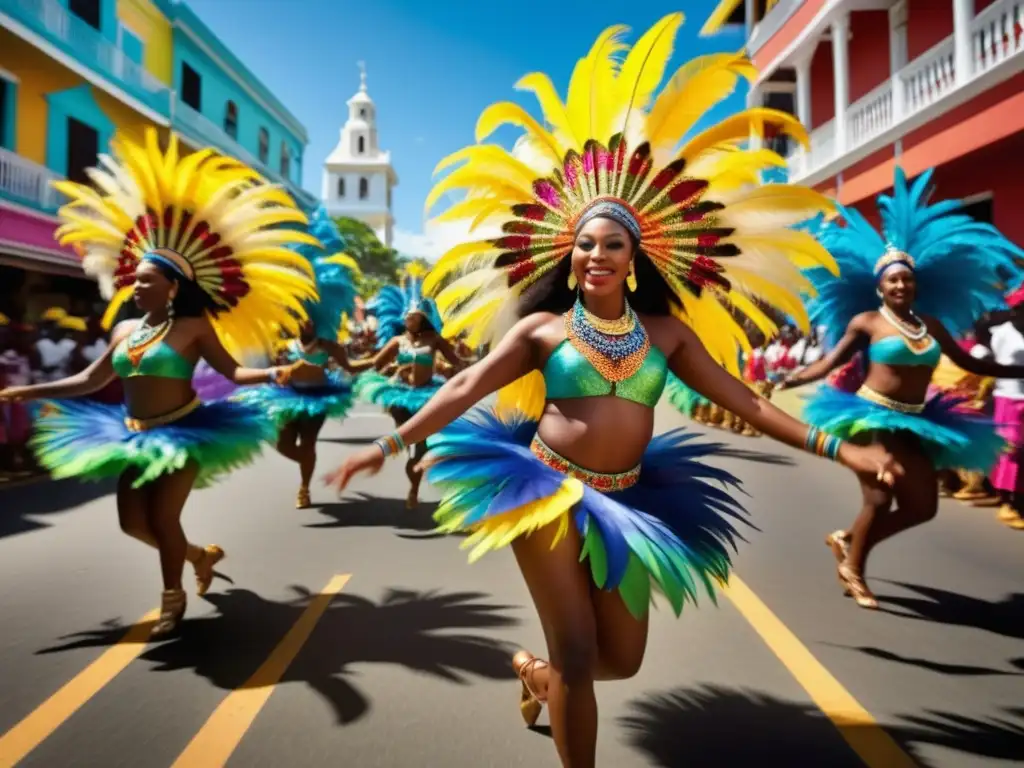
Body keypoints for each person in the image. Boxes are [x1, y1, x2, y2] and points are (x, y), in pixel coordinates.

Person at [325, 15, 900, 767]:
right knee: (576, 653)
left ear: (634, 259)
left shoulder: (666, 334)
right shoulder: (542, 333)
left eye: (612, 244)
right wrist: (385, 444)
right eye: (585, 243)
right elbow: (466, 382)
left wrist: (842, 450)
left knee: (618, 660)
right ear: (571, 257)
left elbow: (749, 401)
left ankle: (533, 675)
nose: (597, 254)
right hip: (546, 493)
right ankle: (556, 680)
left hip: (632, 496)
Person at [0, 130, 322, 637]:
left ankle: (172, 600)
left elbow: (233, 371)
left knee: (164, 520)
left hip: (183, 433)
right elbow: (90, 378)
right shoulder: (126, 330)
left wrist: (275, 372)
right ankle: (200, 556)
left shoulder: (194, 328)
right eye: (136, 279)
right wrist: (28, 392)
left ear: (174, 287)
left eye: (148, 280)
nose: (136, 285)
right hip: (131, 435)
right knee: (133, 524)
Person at [778, 167, 1024, 608]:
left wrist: (1016, 371)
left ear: (915, 285)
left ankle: (848, 538)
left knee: (922, 507)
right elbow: (829, 363)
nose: (900, 284)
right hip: (871, 416)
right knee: (878, 492)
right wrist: (792, 378)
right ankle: (854, 570)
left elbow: (966, 360)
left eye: (906, 279)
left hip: (918, 418)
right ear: (880, 286)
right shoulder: (867, 323)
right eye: (893, 279)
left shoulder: (928, 325)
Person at [232, 206, 374, 508]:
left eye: (309, 319)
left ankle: (304, 487)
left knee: (308, 442)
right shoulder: (285, 344)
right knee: (283, 443)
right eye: (300, 319)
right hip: (288, 397)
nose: (305, 323)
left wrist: (379, 361)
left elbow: (350, 365)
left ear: (318, 318)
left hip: (319, 398)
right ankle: (306, 462)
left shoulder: (327, 345)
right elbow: (273, 368)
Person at [355, 266, 466, 508]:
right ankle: (406, 445)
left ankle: (413, 488)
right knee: (408, 441)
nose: (408, 320)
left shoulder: (434, 340)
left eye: (413, 316)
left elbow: (457, 363)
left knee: (420, 451)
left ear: (422, 318)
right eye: (406, 317)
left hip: (427, 395)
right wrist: (347, 366)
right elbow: (375, 363)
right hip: (401, 397)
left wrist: (456, 372)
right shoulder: (397, 341)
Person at [974, 303, 1024, 529]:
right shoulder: (1001, 332)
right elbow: (985, 355)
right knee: (1010, 450)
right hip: (1008, 398)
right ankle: (1008, 501)